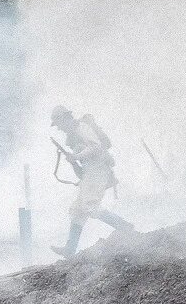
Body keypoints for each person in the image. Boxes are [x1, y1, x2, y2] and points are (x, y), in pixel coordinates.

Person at [50, 105, 134, 258]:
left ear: (64, 119)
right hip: (91, 172)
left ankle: (125, 227)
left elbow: (96, 147)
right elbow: (83, 158)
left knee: (90, 205)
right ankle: (70, 248)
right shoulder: (73, 134)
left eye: (59, 124)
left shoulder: (82, 127)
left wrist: (76, 157)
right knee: (78, 210)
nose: (59, 129)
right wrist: (74, 159)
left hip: (98, 170)